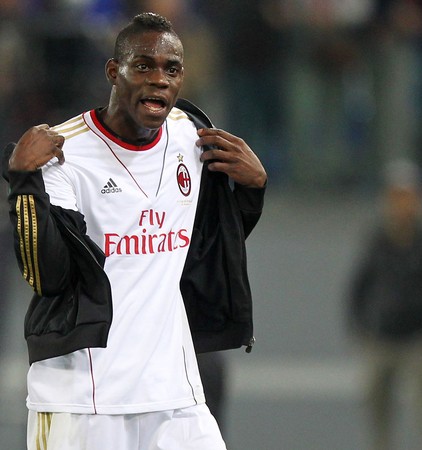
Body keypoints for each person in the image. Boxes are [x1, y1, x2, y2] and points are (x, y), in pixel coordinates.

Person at [2, 12, 267, 450]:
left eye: (172, 69)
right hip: (84, 398)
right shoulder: (64, 152)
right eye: (143, 65)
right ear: (113, 71)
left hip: (175, 393)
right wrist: (24, 184)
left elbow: (206, 245)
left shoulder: (191, 136)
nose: (159, 79)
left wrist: (252, 189)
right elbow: (45, 274)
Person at [346, 159, 422, 450]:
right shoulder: (377, 240)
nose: (402, 205)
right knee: (378, 416)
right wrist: (362, 328)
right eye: (395, 198)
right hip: (383, 340)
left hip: (420, 341)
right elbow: (358, 288)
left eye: (408, 197)